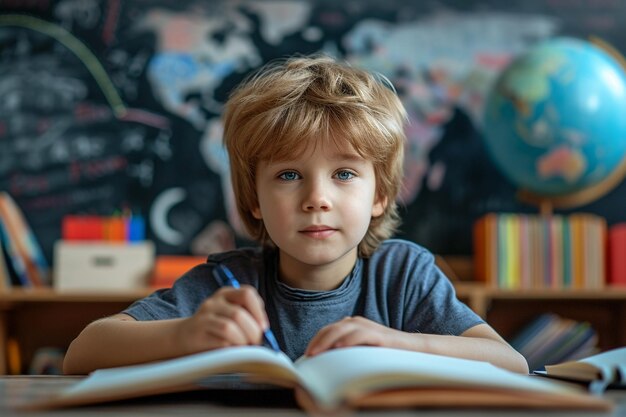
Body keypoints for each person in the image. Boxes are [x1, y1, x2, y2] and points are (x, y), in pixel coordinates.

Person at [63, 55, 528, 375]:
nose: (316, 198)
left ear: (380, 195)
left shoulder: (403, 274)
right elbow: (82, 352)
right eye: (288, 175)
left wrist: (399, 343)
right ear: (254, 202)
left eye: (344, 173)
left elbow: (510, 363)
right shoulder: (227, 284)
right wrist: (187, 334)